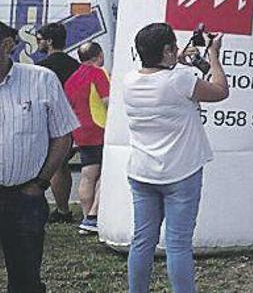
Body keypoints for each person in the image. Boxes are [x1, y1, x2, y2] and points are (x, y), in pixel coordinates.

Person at [121, 23, 228, 293]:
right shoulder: (180, 80)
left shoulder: (129, 80)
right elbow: (220, 90)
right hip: (181, 172)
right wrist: (214, 55)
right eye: (174, 47)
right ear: (167, 51)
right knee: (178, 244)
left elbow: (161, 75)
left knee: (142, 240)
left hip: (142, 172)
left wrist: (176, 60)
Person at [0, 20, 78, 293]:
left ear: (7, 45)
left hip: (25, 197)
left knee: (26, 280)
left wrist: (41, 183)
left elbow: (62, 135)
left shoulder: (41, 80)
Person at [64, 42, 111, 234]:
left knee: (87, 175)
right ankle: (93, 216)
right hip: (100, 129)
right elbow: (108, 101)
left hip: (81, 132)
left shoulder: (72, 79)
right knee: (107, 173)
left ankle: (87, 218)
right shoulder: (99, 73)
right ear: (99, 55)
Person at [35, 23, 79, 224]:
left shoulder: (42, 69)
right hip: (76, 120)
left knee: (55, 166)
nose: (38, 42)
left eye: (39, 38)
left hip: (52, 121)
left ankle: (61, 210)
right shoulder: (76, 65)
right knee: (65, 166)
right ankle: (64, 209)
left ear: (49, 41)